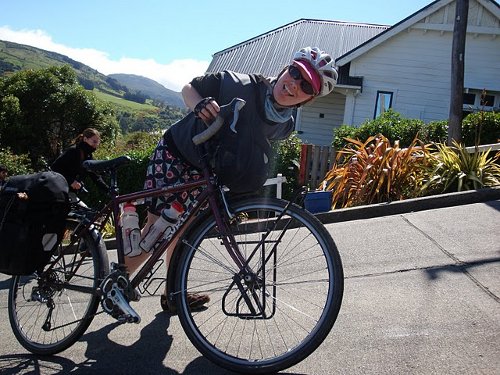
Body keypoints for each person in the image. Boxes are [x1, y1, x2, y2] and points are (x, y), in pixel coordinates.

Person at [125, 46, 338, 312]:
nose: (294, 84)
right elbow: (188, 88)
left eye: (306, 85)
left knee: (184, 232)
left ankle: (173, 293)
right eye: (295, 72)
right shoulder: (237, 84)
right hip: (176, 154)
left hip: (205, 172)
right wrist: (199, 104)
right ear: (285, 68)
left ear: (309, 99)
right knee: (158, 230)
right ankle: (116, 283)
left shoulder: (284, 126)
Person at [51, 128, 108, 199]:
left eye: (98, 142)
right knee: (84, 210)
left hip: (69, 192)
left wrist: (109, 191)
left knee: (86, 210)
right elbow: (54, 168)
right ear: (85, 139)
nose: (96, 145)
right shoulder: (73, 151)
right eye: (94, 141)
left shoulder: (88, 155)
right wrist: (71, 181)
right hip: (59, 191)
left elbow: (95, 176)